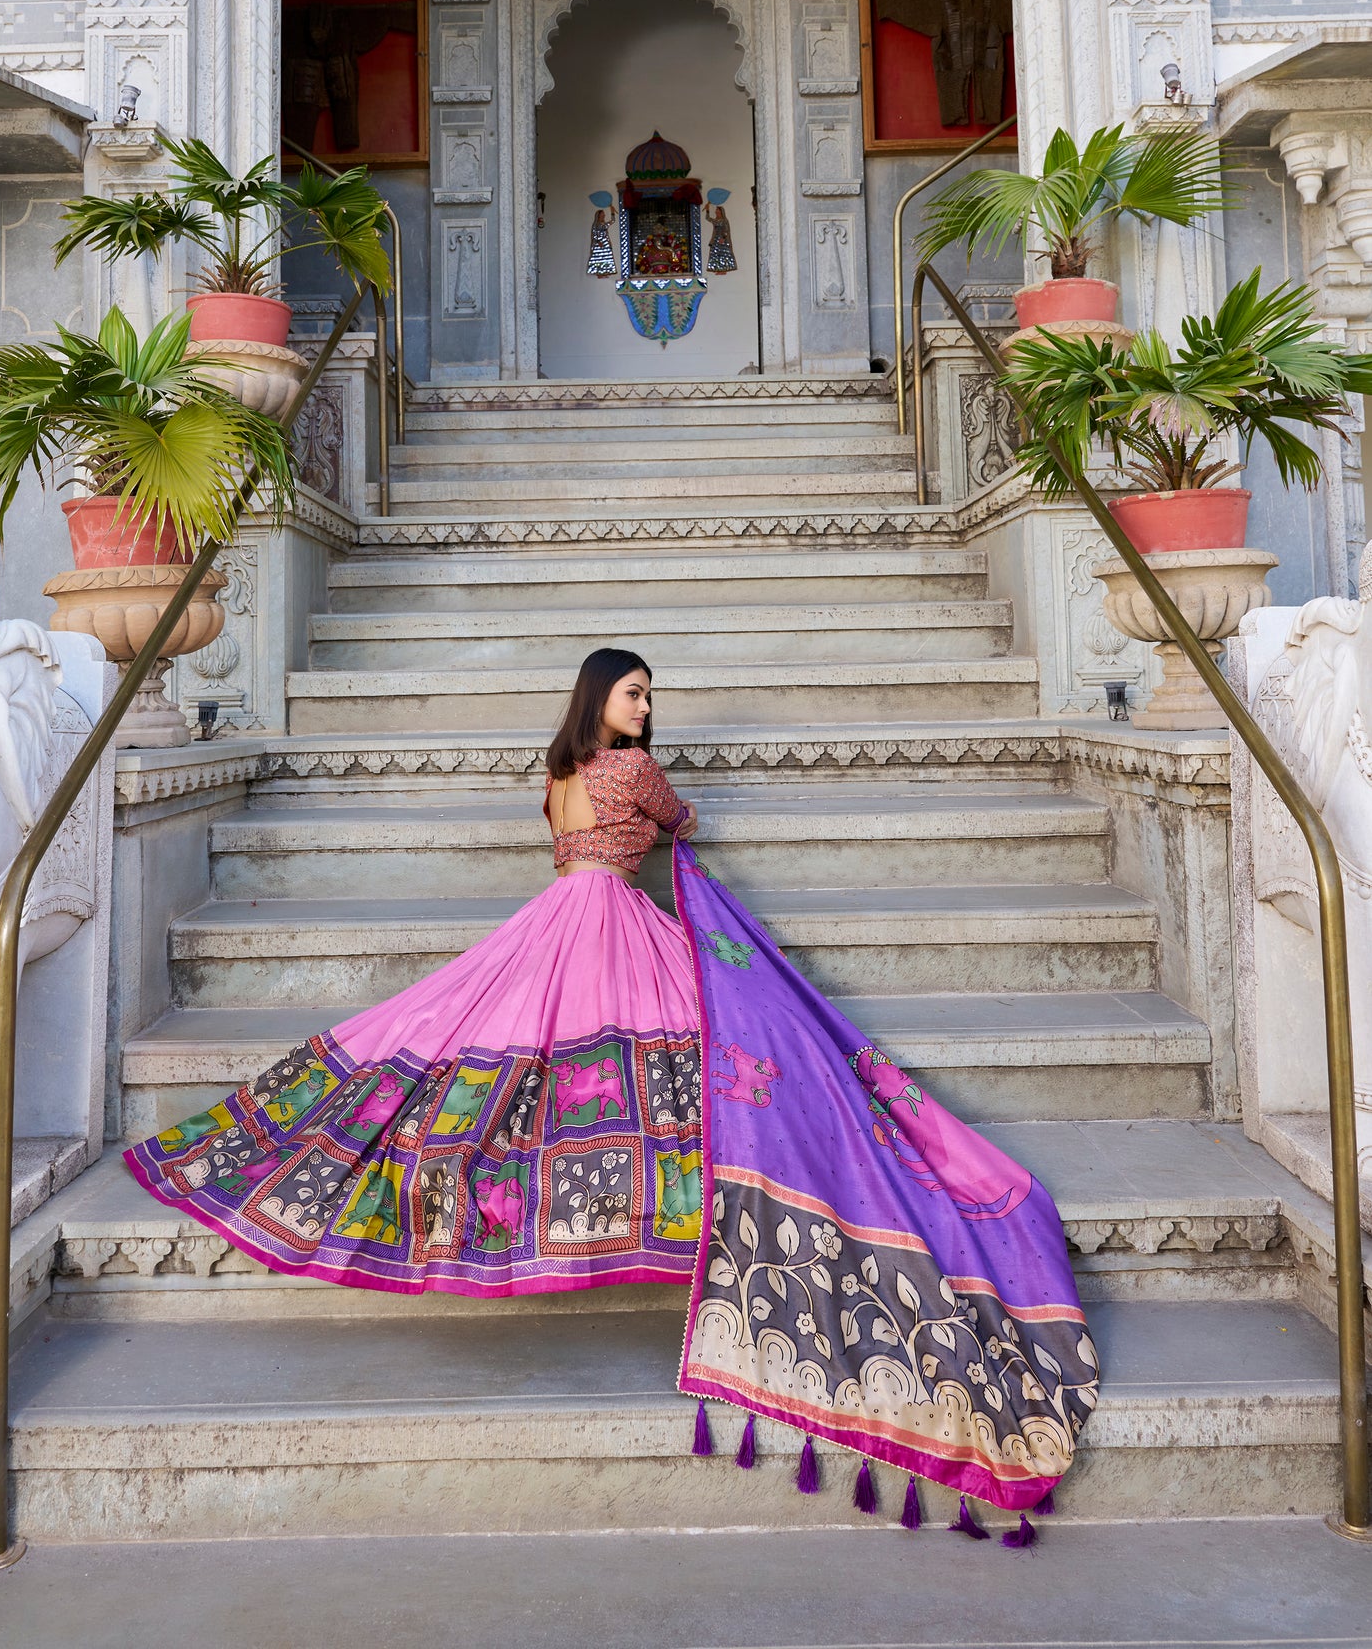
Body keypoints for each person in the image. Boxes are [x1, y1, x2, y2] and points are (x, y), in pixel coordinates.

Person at [125, 648, 1097, 1527]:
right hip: (614, 919)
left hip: (551, 917)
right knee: (682, 1050)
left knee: (485, 1045)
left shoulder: (554, 773)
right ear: (603, 696)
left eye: (649, 694)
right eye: (634, 691)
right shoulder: (630, 766)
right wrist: (660, 806)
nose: (646, 705)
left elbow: (577, 839)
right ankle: (677, 1213)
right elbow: (683, 821)